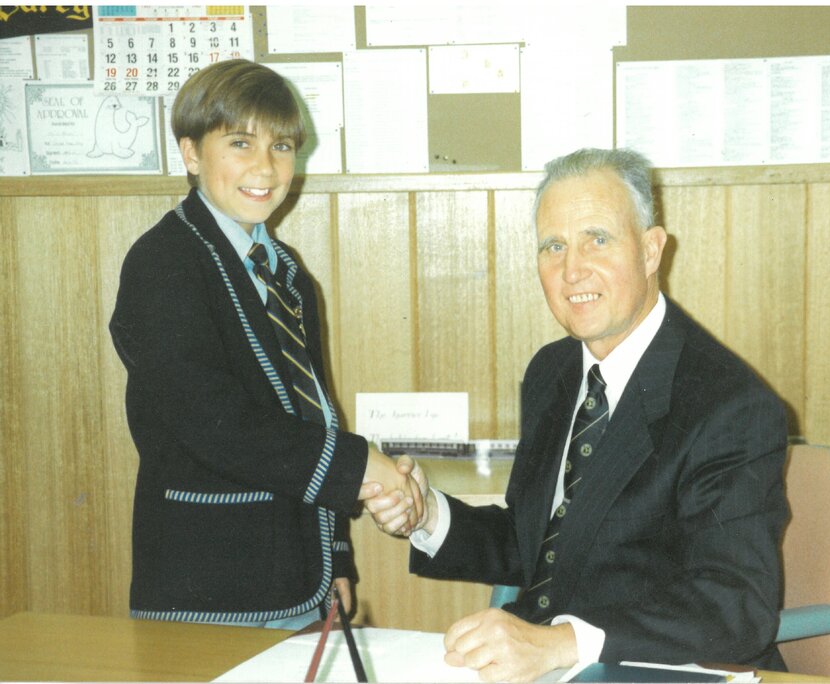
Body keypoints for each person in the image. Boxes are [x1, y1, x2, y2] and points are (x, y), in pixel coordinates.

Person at [366, 147, 789, 681]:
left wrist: (560, 643)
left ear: (651, 250)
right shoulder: (554, 371)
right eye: (554, 246)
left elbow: (736, 605)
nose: (572, 270)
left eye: (598, 239)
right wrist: (428, 514)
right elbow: (540, 542)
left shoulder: (728, 404)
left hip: (667, 670)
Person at [109, 59, 421, 628]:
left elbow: (313, 411)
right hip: (208, 585)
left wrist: (336, 557)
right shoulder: (163, 262)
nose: (265, 167)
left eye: (281, 146)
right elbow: (213, 422)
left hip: (300, 571)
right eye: (240, 143)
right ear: (191, 154)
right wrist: (362, 467)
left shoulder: (287, 271)